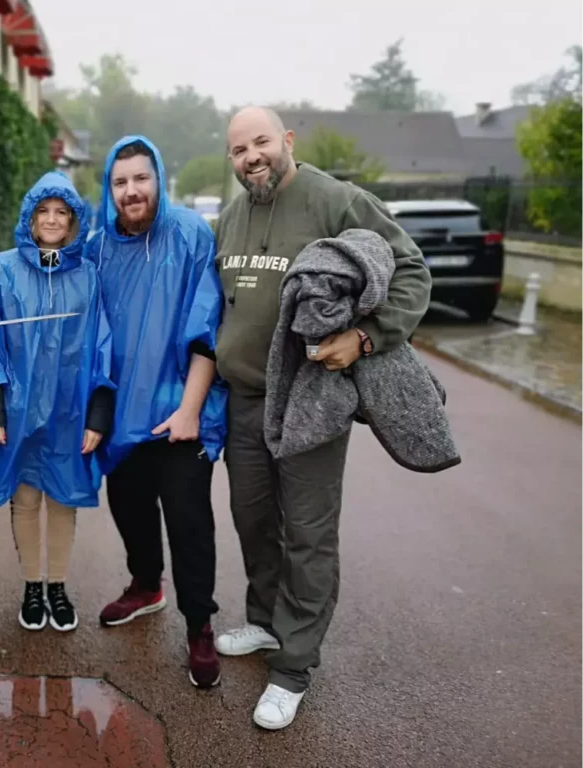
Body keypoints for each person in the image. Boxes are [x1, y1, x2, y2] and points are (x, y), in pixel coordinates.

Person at [213, 106, 430, 729]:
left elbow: (411, 270)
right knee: (253, 518)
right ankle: (263, 621)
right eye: (237, 149)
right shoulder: (230, 217)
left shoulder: (336, 200)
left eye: (260, 142)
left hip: (311, 395)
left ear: (285, 141)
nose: (251, 156)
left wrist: (365, 337)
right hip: (246, 400)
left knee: (307, 530)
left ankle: (293, 667)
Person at [0, 171, 115, 633]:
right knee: (26, 495)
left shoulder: (88, 277)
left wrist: (97, 413)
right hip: (15, 411)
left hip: (69, 411)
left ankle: (57, 585)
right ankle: (31, 586)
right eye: (44, 211)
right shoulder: (0, 271)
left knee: (63, 495)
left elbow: (103, 347)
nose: (53, 220)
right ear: (29, 218)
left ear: (76, 221)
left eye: (63, 212)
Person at [84, 136, 227, 690]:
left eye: (140, 178)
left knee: (189, 520)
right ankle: (146, 585)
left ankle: (200, 624)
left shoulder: (189, 235)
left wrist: (191, 408)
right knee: (130, 508)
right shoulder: (98, 248)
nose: (131, 191)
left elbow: (207, 325)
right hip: (123, 413)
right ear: (109, 189)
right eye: (120, 182)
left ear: (158, 178)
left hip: (179, 413)